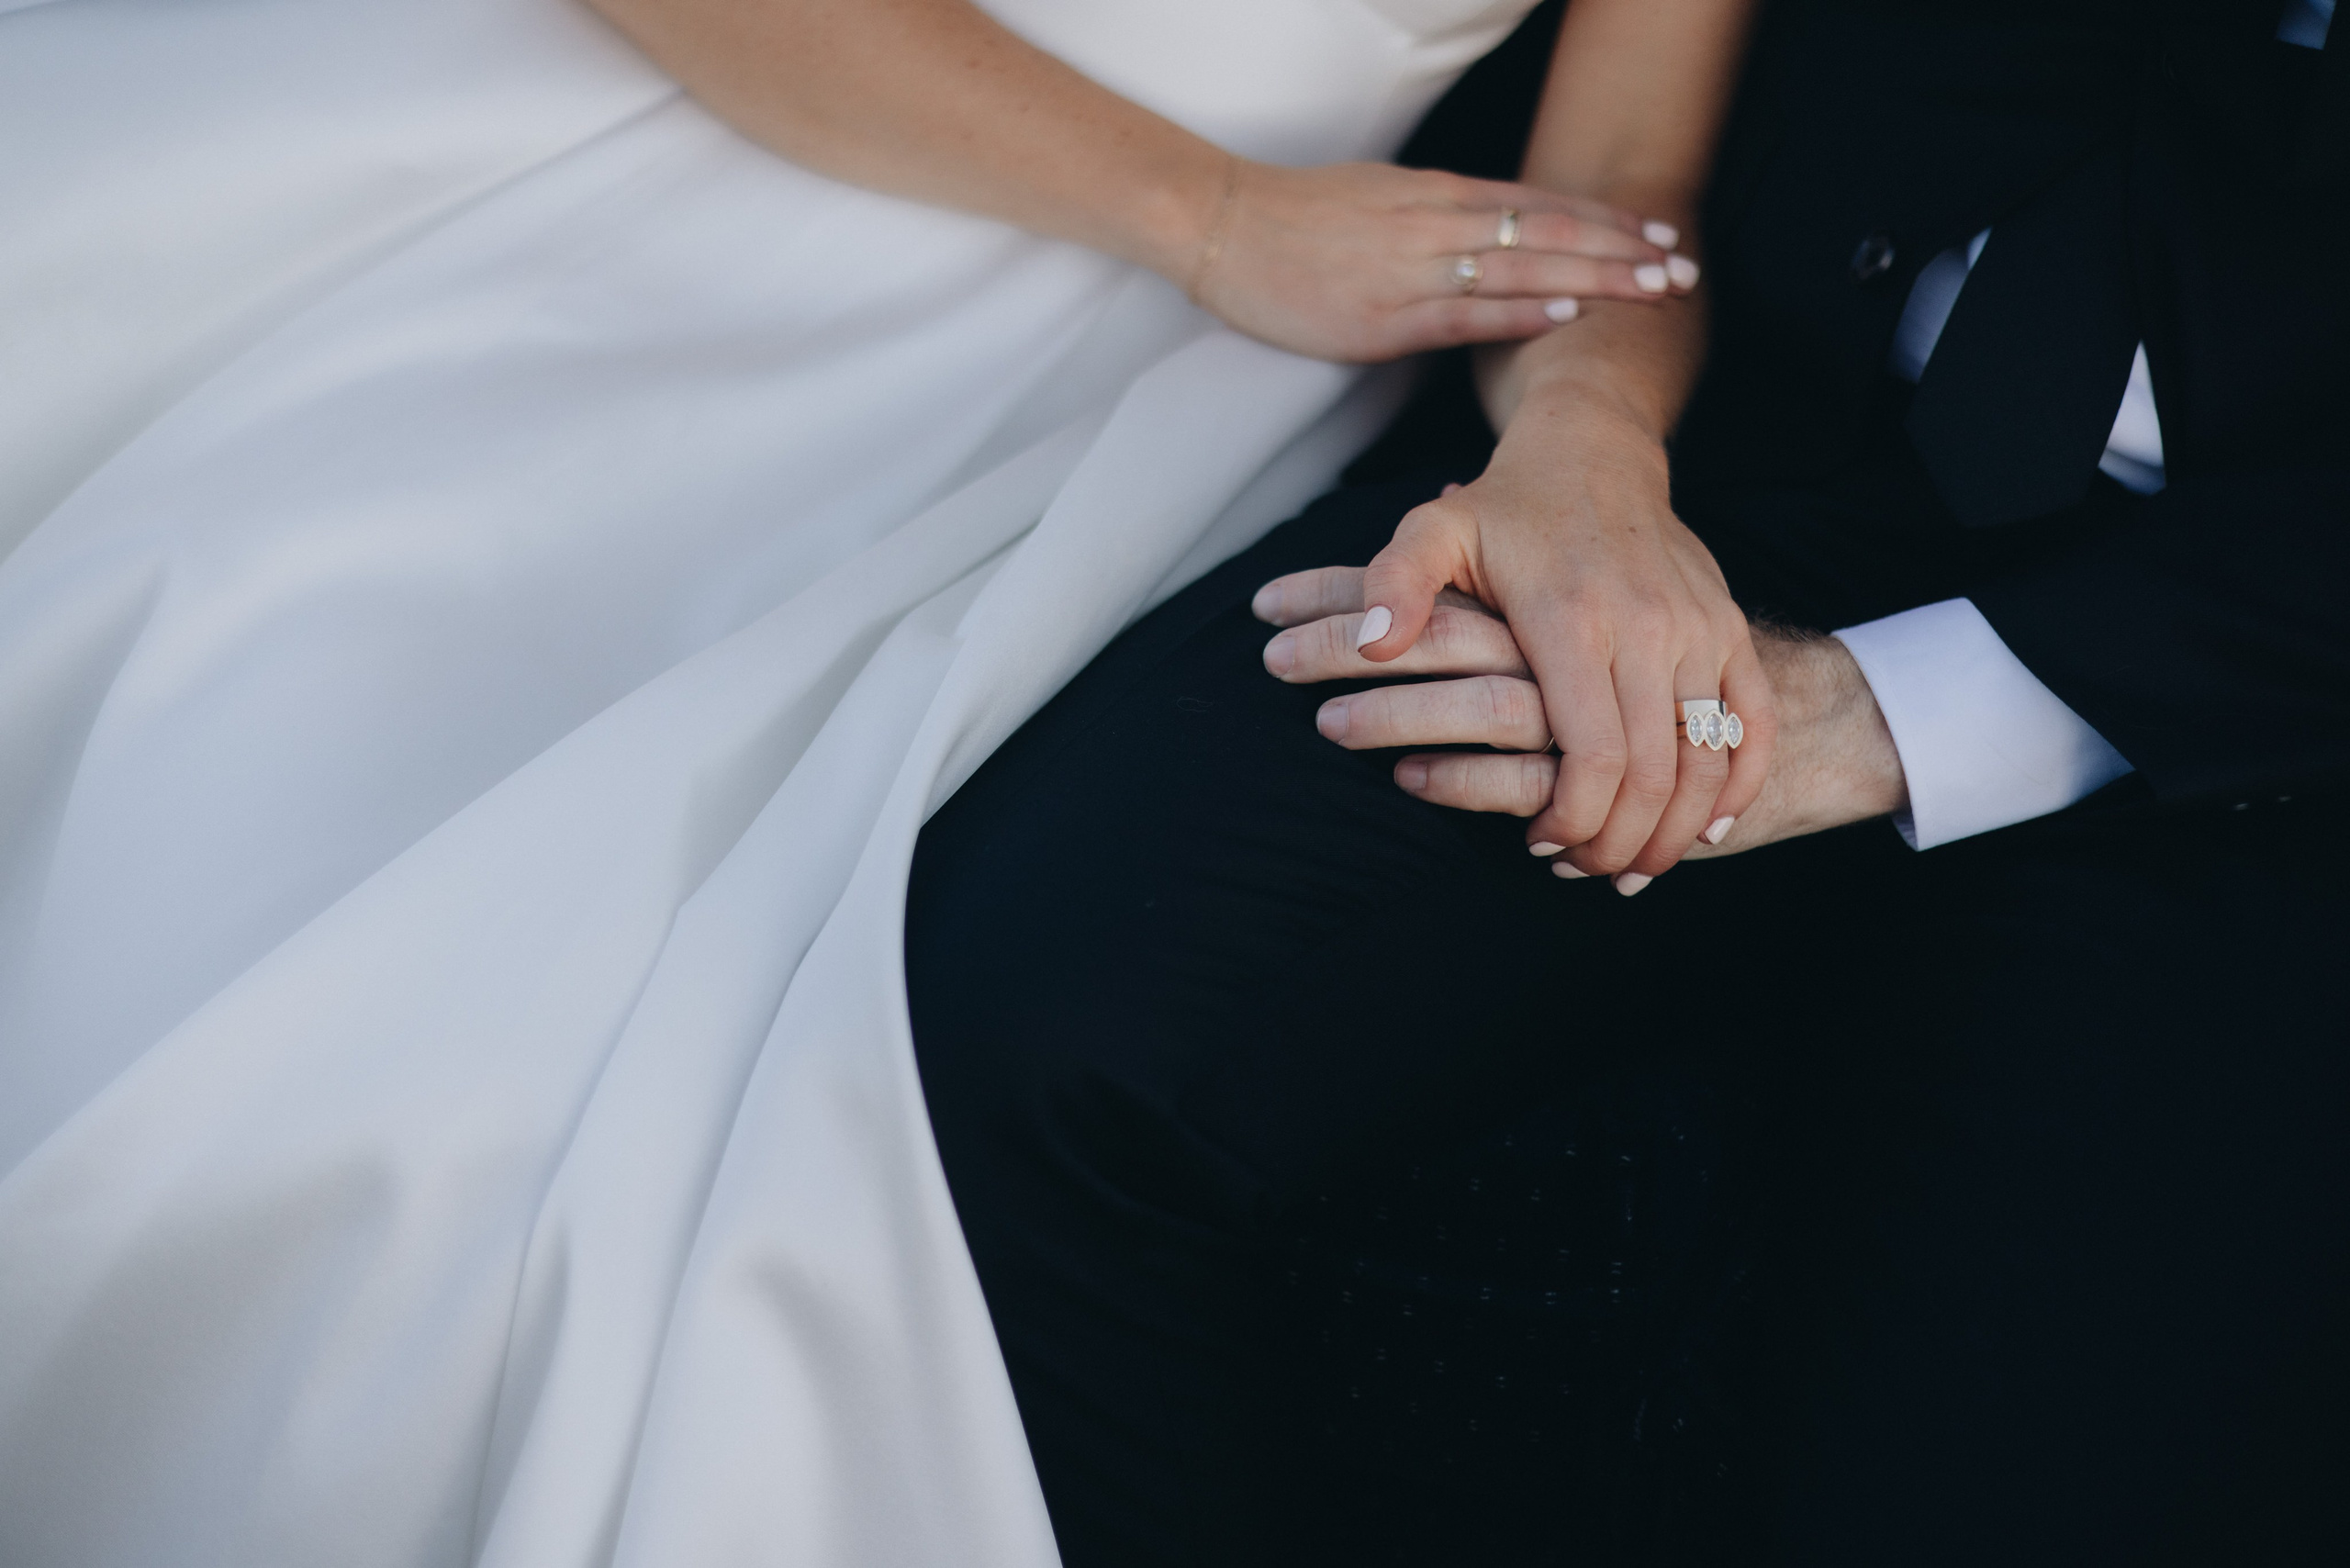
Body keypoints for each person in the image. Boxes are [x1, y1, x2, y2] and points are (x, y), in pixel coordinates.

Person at [0, 0, 1693, 1562]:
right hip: (684, 143)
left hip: (1150, 350)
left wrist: (1586, 440)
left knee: (513, 1063)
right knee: (205, 713)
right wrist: (1209, 213)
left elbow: (1619, 192)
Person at [906, 0, 2350, 1561]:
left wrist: (1858, 717)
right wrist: (1588, 453)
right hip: (1751, 431)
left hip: (2281, 714)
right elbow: (1631, 150)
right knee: (1034, 1028)